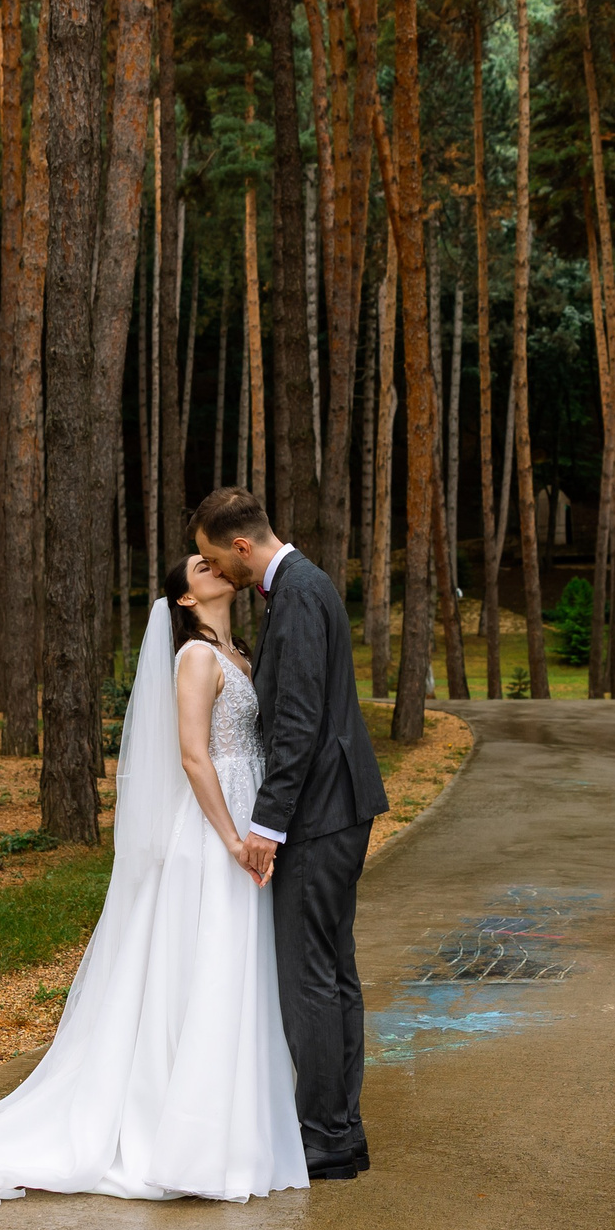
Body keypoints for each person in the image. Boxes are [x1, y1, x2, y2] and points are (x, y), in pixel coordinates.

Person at [0, 552, 308, 1210]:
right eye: (201, 566)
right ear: (187, 599)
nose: (216, 567)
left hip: (248, 813)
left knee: (236, 971)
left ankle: (237, 1128)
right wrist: (229, 835)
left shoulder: (240, 651)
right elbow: (194, 755)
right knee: (208, 967)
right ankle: (190, 1140)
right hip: (210, 830)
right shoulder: (195, 656)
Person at [190, 486, 389, 1182]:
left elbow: (298, 722)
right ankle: (342, 1131)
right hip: (340, 806)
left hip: (319, 812)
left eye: (219, 557)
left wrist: (266, 828)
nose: (221, 570)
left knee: (312, 978)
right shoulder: (306, 586)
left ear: (243, 546)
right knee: (334, 973)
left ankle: (326, 1138)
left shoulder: (298, 594)